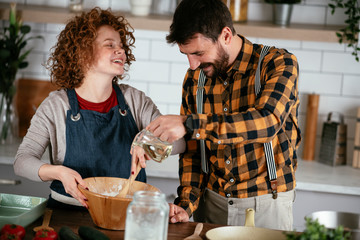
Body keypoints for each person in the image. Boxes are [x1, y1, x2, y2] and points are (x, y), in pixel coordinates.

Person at [146, 0, 300, 231]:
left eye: (198, 53)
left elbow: (267, 122)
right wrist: (186, 205)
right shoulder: (194, 80)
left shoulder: (277, 63)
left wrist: (190, 124)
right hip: (211, 205)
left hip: (266, 206)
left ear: (225, 35)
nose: (192, 64)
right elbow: (193, 152)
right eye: (186, 54)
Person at [14, 7, 184, 210]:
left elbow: (181, 144)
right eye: (109, 45)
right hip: (68, 213)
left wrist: (149, 143)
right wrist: (59, 172)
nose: (120, 50)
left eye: (121, 46)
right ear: (83, 53)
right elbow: (22, 161)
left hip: (125, 213)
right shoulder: (56, 106)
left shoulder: (135, 100)